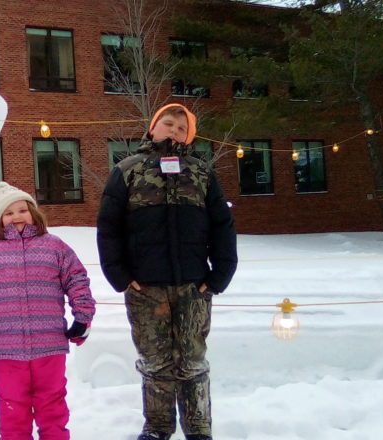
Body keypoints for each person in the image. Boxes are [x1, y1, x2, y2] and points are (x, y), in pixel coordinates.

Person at [96, 104, 238, 440]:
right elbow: (108, 227)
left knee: (192, 361)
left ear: (188, 136)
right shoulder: (126, 171)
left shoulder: (202, 174)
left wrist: (218, 277)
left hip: (193, 286)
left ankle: (198, 427)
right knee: (155, 361)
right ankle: (158, 426)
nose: (172, 131)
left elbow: (223, 227)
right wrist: (120, 276)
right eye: (167, 123)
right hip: (145, 288)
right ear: (152, 127)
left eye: (180, 127)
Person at [0, 181, 96, 440]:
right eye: (8, 213)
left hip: (50, 344)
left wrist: (82, 317)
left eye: (22, 210)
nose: (16, 217)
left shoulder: (55, 246)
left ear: (33, 212)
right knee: (12, 408)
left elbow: (77, 280)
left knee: (52, 405)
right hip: (6, 348)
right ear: (0, 220)